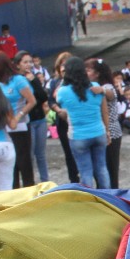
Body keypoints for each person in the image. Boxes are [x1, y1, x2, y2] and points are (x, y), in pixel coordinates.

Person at [56, 57, 109, 189]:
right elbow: (105, 112)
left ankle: (89, 200)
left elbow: (60, 103)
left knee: (85, 172)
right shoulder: (96, 88)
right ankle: (109, 196)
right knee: (102, 168)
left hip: (78, 135)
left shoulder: (63, 91)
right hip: (98, 132)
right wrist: (107, 131)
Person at [0, 50, 36, 188]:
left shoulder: (18, 80)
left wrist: (18, 116)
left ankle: (29, 188)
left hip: (20, 125)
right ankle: (14, 189)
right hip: (4, 127)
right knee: (9, 161)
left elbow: (31, 101)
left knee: (24, 160)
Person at [87, 58, 124, 188]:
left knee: (111, 167)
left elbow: (110, 94)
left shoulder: (106, 86)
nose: (86, 72)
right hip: (98, 131)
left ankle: (113, 196)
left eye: (89, 70)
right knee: (100, 169)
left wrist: (101, 90)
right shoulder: (91, 86)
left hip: (112, 132)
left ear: (97, 73)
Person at [16, 51, 50, 183]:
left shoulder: (33, 77)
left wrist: (35, 81)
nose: (28, 65)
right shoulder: (17, 80)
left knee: (40, 153)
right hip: (27, 121)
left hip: (40, 119)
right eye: (25, 62)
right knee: (29, 154)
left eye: (30, 62)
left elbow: (43, 97)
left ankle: (45, 181)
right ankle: (30, 182)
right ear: (18, 64)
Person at [48, 52, 80, 184]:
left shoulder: (79, 81)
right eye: (62, 64)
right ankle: (73, 181)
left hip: (77, 121)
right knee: (68, 154)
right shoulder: (55, 82)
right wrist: (58, 110)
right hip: (62, 121)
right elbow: (50, 100)